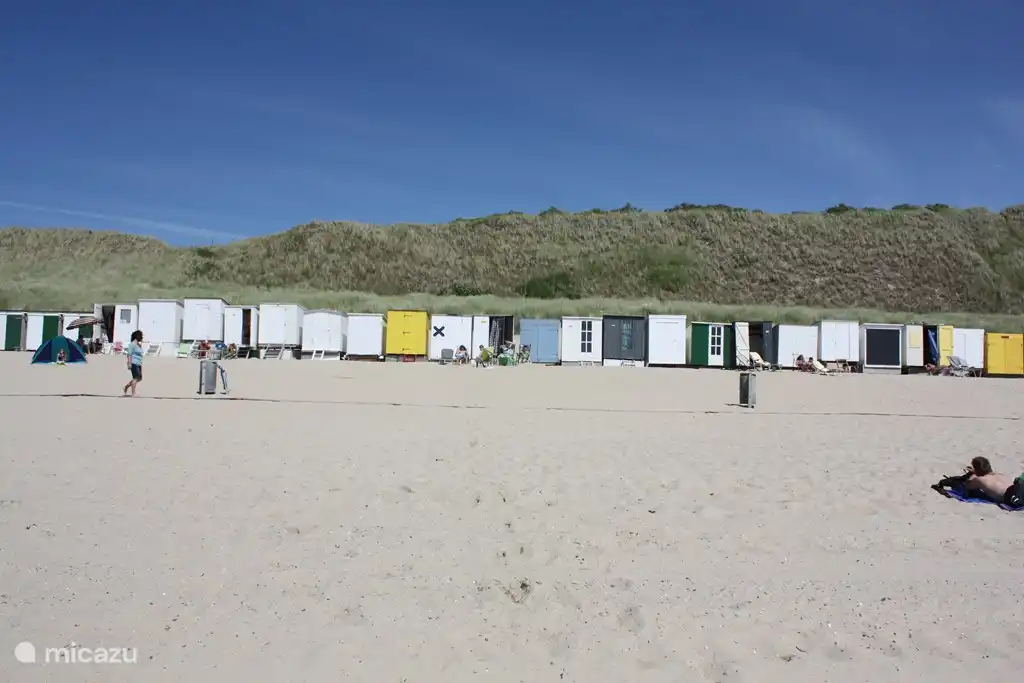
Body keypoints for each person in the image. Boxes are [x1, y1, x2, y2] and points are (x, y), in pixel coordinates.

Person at [933, 457, 1023, 508]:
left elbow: (967, 486)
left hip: (1012, 497)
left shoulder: (979, 480)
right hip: (1019, 487)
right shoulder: (997, 474)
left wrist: (972, 475)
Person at [122, 330, 145, 397]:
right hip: (133, 363)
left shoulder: (139, 345)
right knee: (135, 378)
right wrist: (129, 363)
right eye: (141, 336)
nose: (142, 338)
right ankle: (133, 393)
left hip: (139, 363)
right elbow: (129, 354)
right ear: (137, 336)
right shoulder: (132, 344)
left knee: (140, 378)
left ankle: (126, 387)